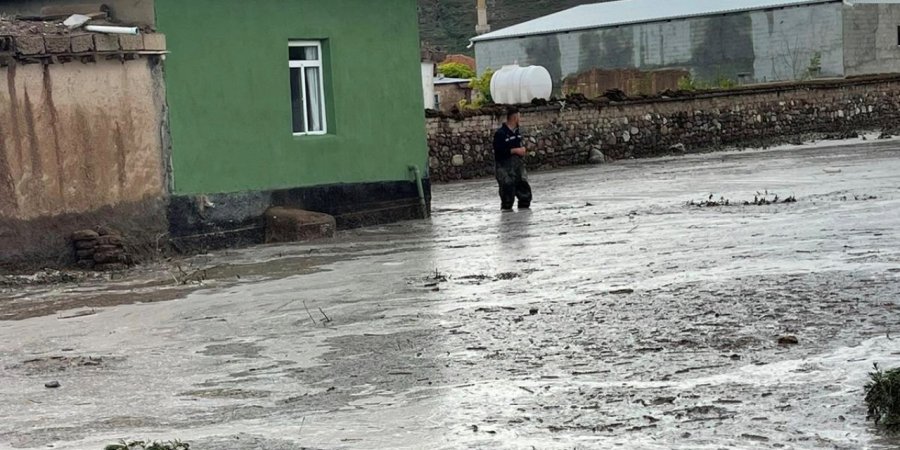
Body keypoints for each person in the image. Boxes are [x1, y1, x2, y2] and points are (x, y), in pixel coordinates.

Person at [492, 107, 532, 211]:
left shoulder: (518, 133)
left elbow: (521, 145)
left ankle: (523, 214)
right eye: (519, 117)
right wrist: (514, 150)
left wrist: (522, 150)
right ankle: (507, 216)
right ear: (514, 118)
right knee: (507, 192)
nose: (520, 119)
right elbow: (498, 151)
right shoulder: (500, 134)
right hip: (504, 167)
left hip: (518, 167)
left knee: (524, 190)